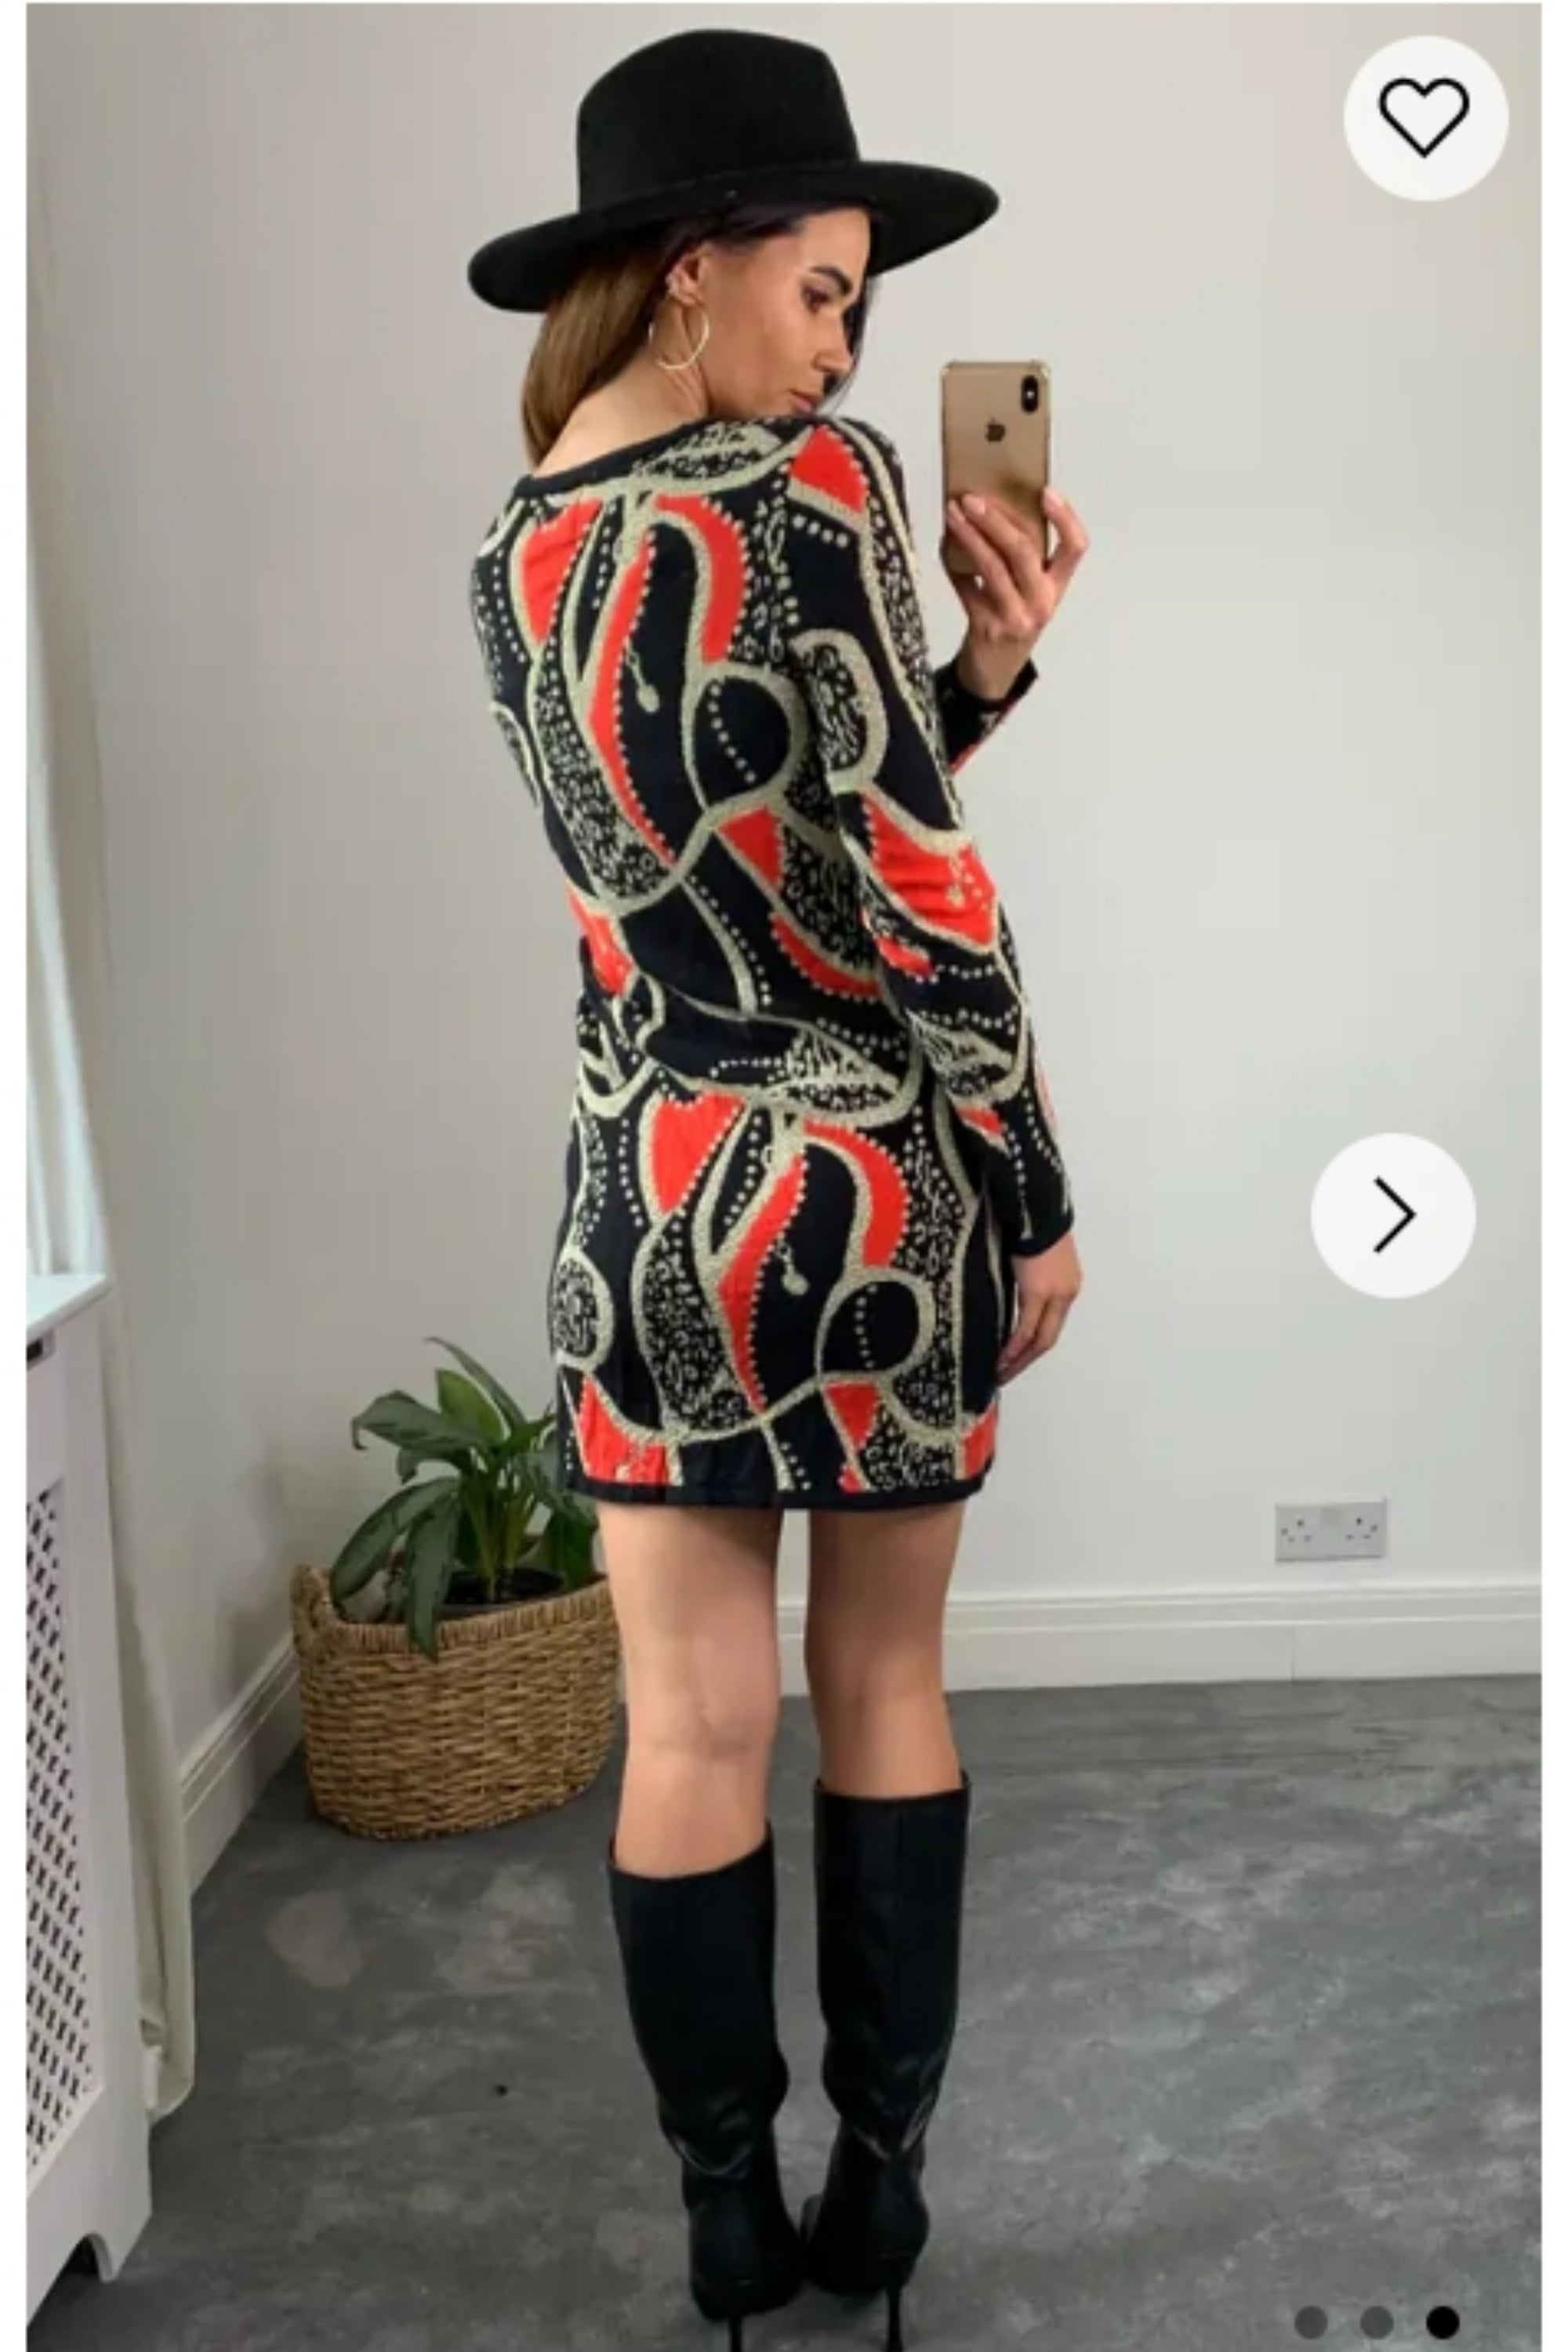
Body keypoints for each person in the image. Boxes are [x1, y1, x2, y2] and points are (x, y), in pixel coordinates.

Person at [466, 27, 1088, 2350]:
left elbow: (738, 847)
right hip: (868, 1206)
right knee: (885, 1678)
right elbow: (907, 879)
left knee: (687, 1722)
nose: (845, 347)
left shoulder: (517, 549)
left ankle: (727, 2218)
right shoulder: (815, 485)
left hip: (648, 1209)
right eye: (823, 289)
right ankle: (880, 2187)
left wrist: (976, 672)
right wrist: (1031, 1184)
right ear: (689, 269)